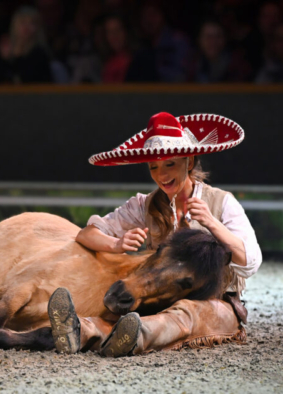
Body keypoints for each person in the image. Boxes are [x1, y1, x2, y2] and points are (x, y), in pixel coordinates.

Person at [48, 112, 262, 357]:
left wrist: (213, 224)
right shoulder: (144, 205)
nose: (162, 175)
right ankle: (81, 330)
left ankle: (133, 335)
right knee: (124, 294)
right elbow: (86, 235)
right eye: (154, 166)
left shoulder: (221, 203)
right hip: (159, 299)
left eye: (170, 163)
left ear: (189, 162)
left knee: (186, 313)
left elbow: (251, 261)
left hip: (214, 304)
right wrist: (116, 243)